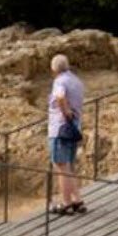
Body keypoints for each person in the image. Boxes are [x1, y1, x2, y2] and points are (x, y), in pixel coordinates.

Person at [47, 53, 86, 215]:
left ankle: (66, 203)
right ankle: (77, 200)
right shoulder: (76, 80)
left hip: (60, 129)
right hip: (74, 127)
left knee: (61, 166)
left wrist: (66, 112)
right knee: (68, 166)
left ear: (54, 69)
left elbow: (60, 96)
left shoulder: (60, 81)